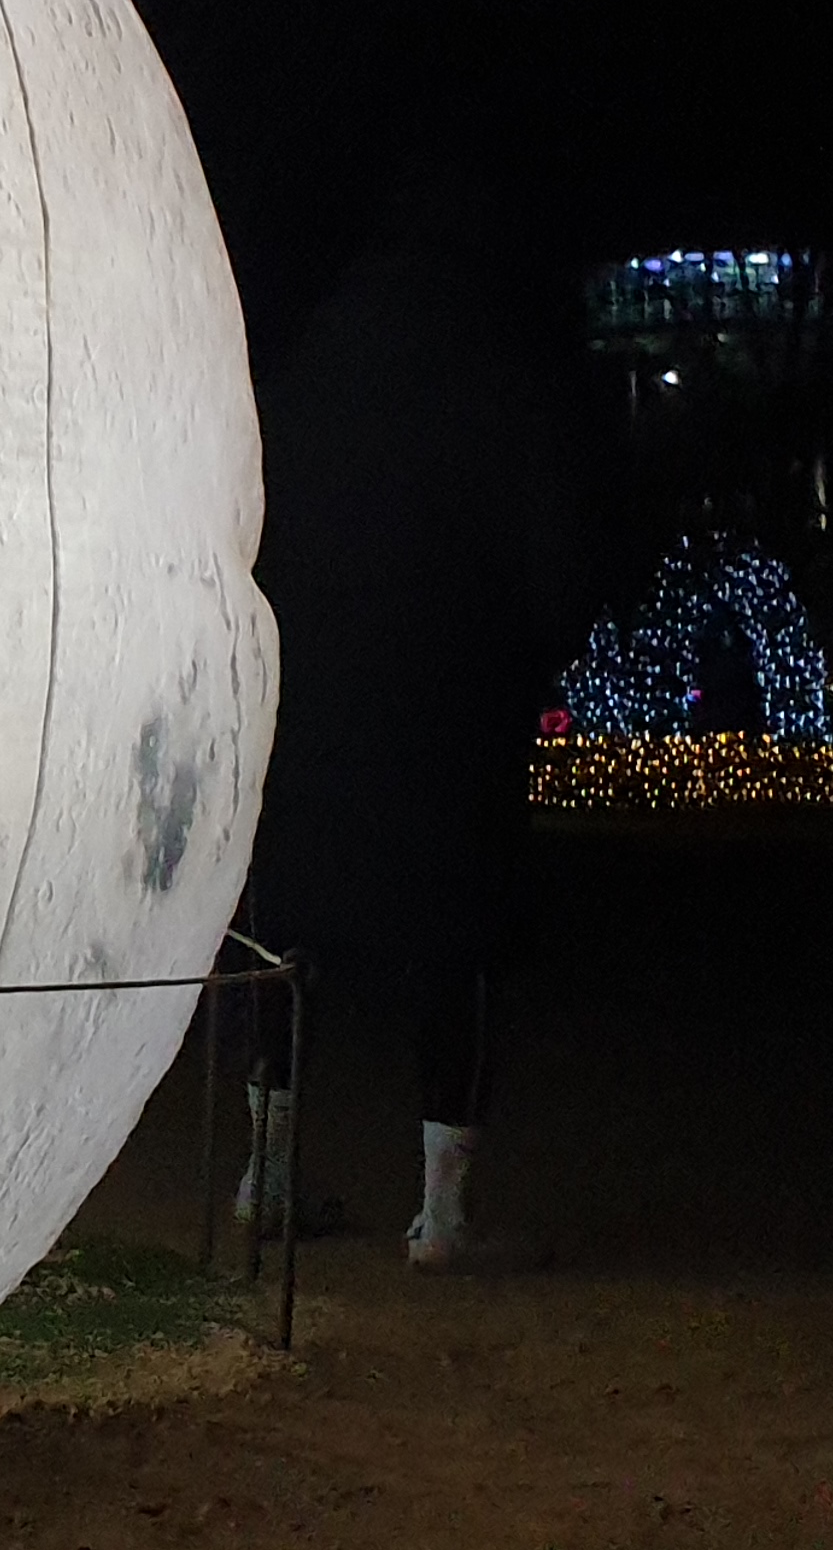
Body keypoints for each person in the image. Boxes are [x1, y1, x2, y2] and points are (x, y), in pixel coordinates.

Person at [243, 162, 594, 1269]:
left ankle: (266, 1172)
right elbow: (553, 556)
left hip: (310, 705)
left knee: (284, 937)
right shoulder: (495, 372)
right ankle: (440, 1214)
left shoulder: (303, 374)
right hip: (448, 705)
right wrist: (527, 657)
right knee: (455, 944)